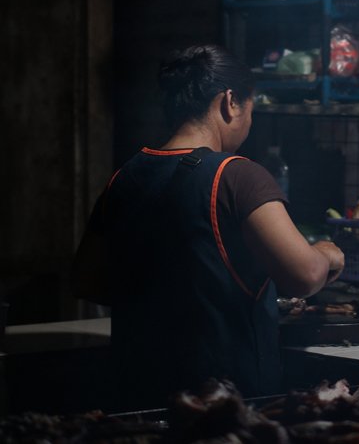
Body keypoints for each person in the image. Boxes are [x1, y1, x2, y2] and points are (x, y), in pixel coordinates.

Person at [72, 44, 344, 409]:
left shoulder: (125, 176)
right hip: (226, 410)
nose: (249, 123)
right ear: (230, 102)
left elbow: (88, 280)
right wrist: (328, 253)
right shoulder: (236, 176)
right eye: (251, 111)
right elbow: (305, 275)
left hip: (138, 400)